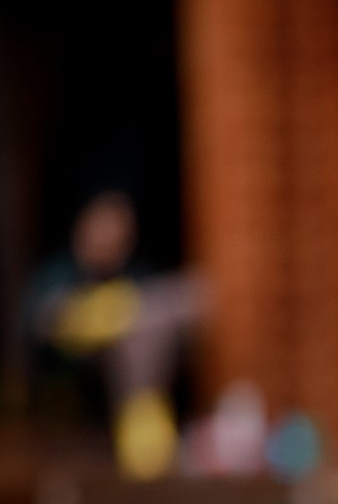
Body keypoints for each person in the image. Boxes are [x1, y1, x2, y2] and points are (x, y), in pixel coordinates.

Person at [26, 190, 205, 478]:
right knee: (144, 320)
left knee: (177, 302)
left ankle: (145, 426)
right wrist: (101, 315)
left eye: (118, 235)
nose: (109, 241)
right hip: (75, 371)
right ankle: (142, 429)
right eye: (102, 231)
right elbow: (43, 323)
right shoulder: (60, 273)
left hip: (127, 367)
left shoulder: (134, 271)